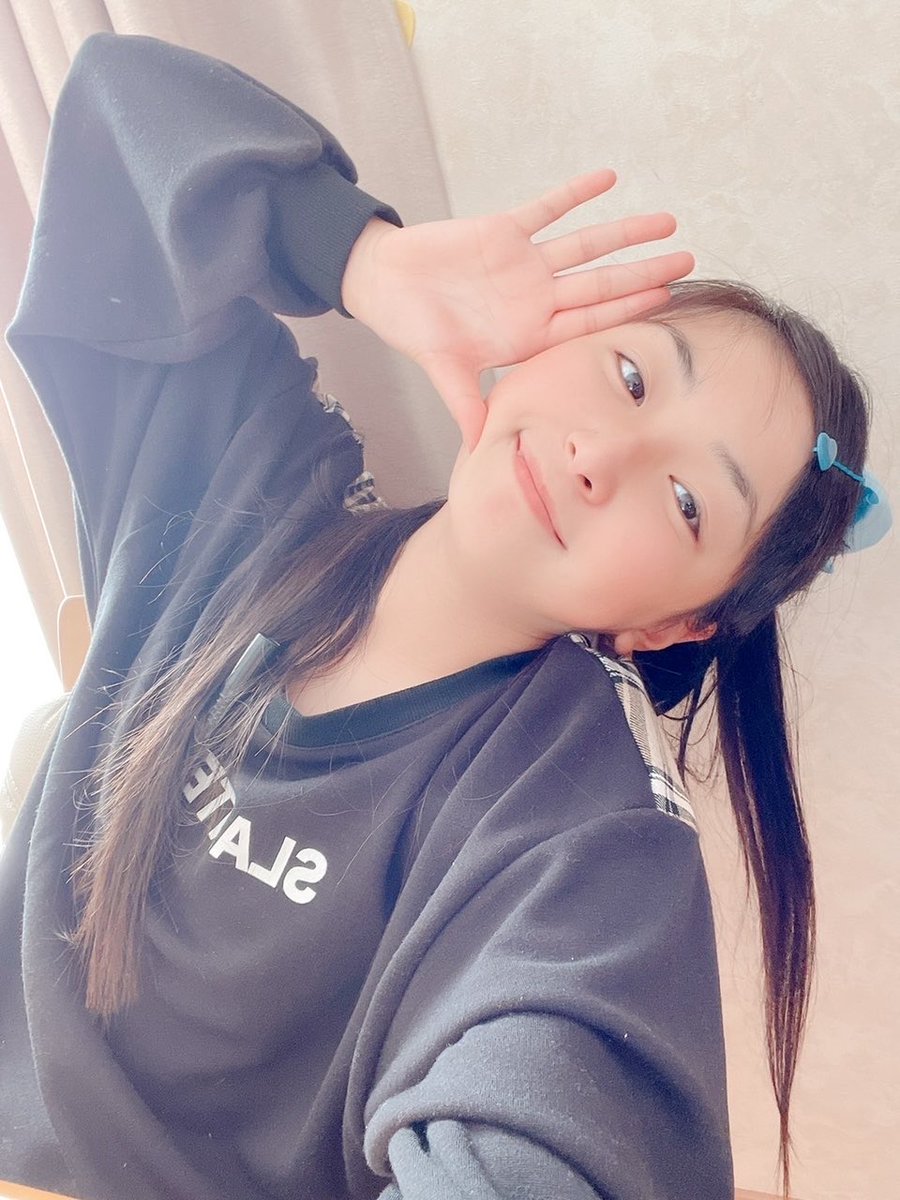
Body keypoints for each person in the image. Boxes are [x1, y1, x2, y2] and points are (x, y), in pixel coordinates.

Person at [0, 30, 884, 1200]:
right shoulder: (250, 489)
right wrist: (365, 261)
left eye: (685, 503)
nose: (602, 456)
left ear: (678, 626)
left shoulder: (586, 825)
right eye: (630, 376)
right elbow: (119, 112)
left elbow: (557, 1120)